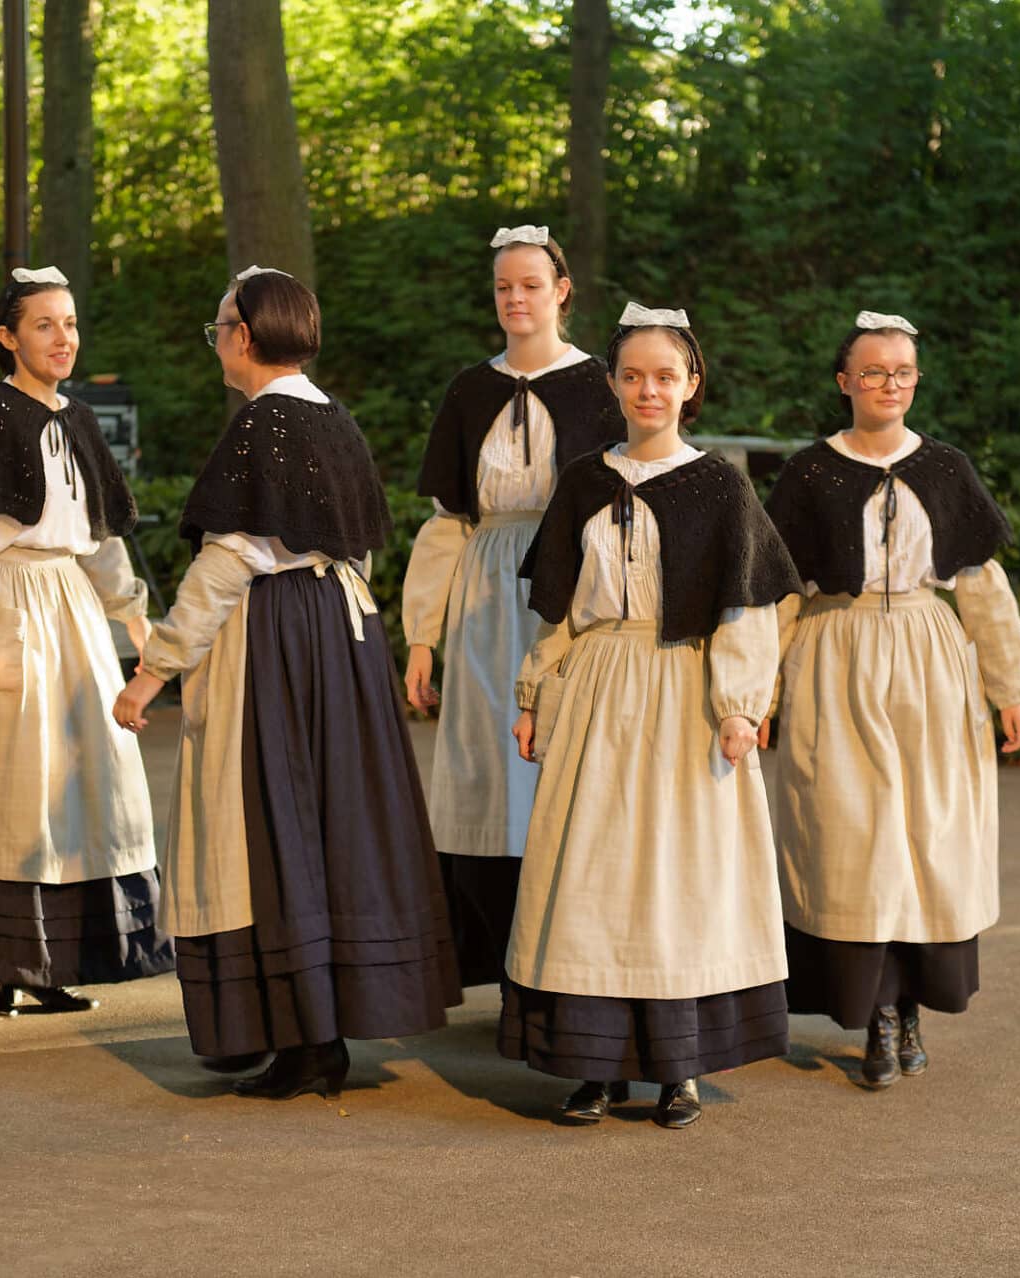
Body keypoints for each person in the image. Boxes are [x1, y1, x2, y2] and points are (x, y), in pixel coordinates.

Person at [112, 267, 461, 1100]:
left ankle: (300, 1037)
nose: (218, 340)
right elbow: (360, 546)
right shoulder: (332, 418)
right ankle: (310, 1031)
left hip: (274, 640)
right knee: (330, 824)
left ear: (246, 334)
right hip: (341, 635)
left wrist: (154, 670)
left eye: (220, 325)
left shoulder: (261, 425)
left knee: (265, 824)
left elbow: (228, 561)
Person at [503, 304, 801, 1129]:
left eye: (665, 376)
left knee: (677, 880)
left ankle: (680, 1070)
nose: (648, 389)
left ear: (691, 385)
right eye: (632, 375)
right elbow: (559, 612)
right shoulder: (584, 482)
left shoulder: (718, 487)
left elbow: (746, 611)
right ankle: (594, 1067)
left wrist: (742, 707)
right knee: (591, 879)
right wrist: (534, 695)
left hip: (684, 695)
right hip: (597, 691)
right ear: (611, 383)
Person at [763, 310, 1020, 1089]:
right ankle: (875, 1012)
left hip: (928, 660)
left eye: (903, 372)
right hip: (834, 652)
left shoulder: (945, 469)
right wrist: (755, 693)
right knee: (853, 839)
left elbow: (983, 586)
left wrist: (1009, 686)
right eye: (874, 371)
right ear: (844, 381)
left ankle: (912, 1003)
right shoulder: (809, 473)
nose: (890, 384)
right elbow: (778, 596)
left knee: (925, 836)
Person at [0, 267, 173, 1016]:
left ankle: (54, 960)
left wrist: (136, 622)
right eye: (45, 325)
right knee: (1, 792)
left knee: (77, 789)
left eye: (70, 324)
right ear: (8, 337)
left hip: (72, 614)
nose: (63, 339)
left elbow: (102, 539)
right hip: (6, 605)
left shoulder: (80, 422)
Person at [402, 225, 625, 988]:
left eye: (530, 284)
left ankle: (566, 948)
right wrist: (422, 638)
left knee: (562, 758)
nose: (515, 299)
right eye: (504, 287)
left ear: (561, 291)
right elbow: (445, 524)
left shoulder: (601, 385)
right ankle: (494, 953)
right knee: (485, 763)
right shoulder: (472, 389)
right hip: (485, 590)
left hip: (570, 592)